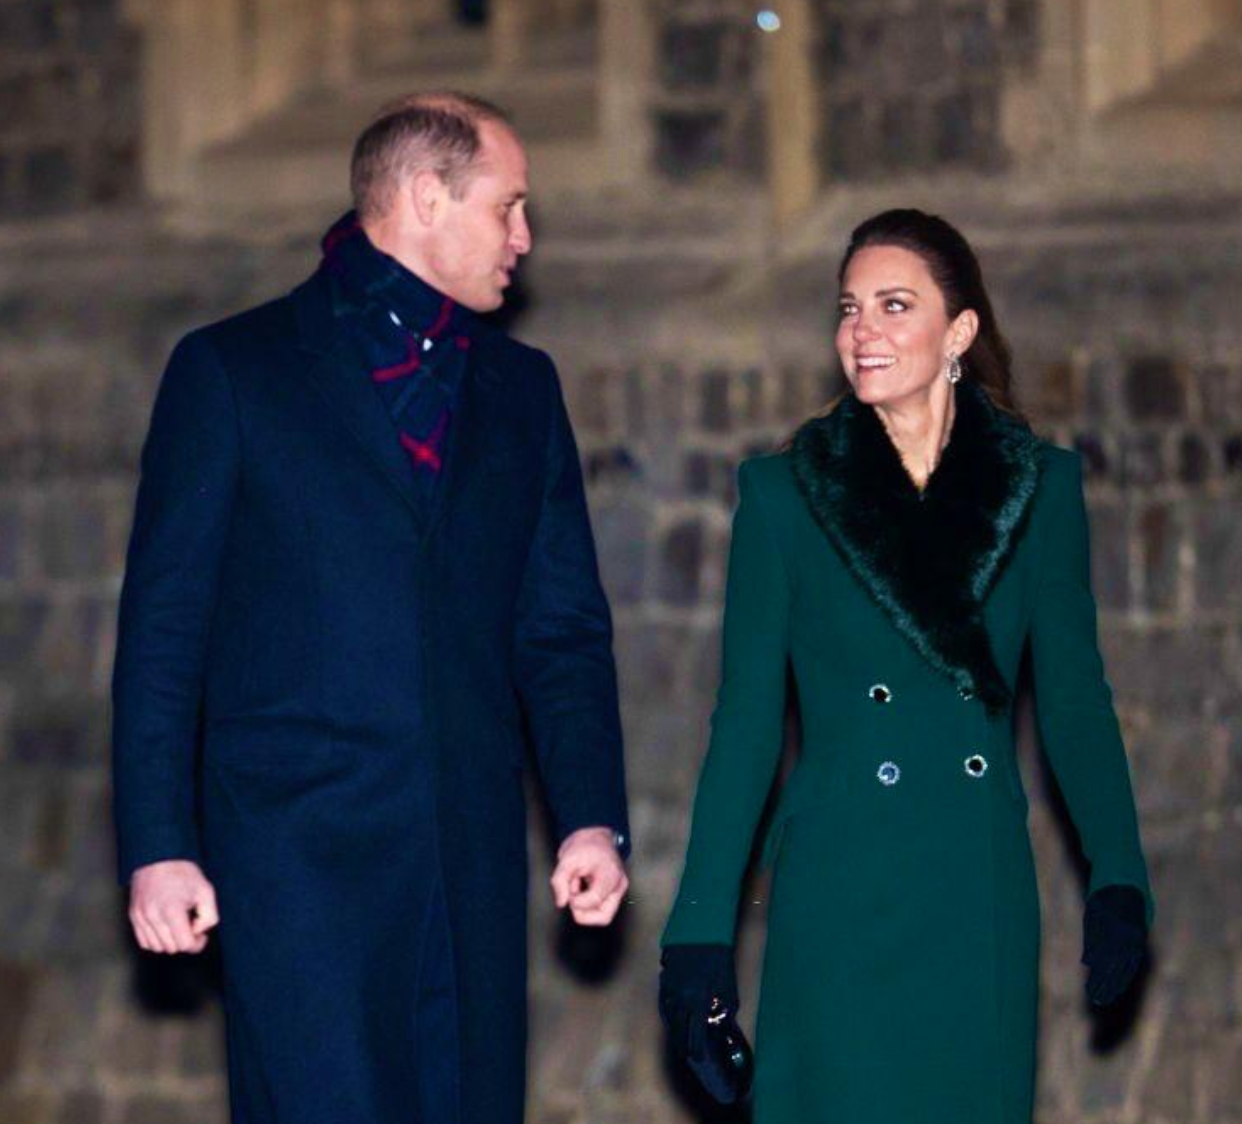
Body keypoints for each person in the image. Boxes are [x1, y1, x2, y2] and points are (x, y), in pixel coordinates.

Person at [113, 91, 630, 1124]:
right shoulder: (232, 370)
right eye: (510, 206)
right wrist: (157, 840)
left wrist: (590, 815)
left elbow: (561, 630)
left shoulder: (523, 390)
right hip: (298, 865)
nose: (526, 238)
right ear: (429, 198)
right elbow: (165, 628)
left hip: (473, 857)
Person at [658, 209, 1152, 1124]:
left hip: (975, 884)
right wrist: (699, 932)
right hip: (840, 884)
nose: (862, 332)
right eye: (849, 308)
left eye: (894, 305)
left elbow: (1077, 703)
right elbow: (746, 726)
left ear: (958, 331)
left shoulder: (1041, 491)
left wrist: (1118, 870)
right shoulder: (782, 497)